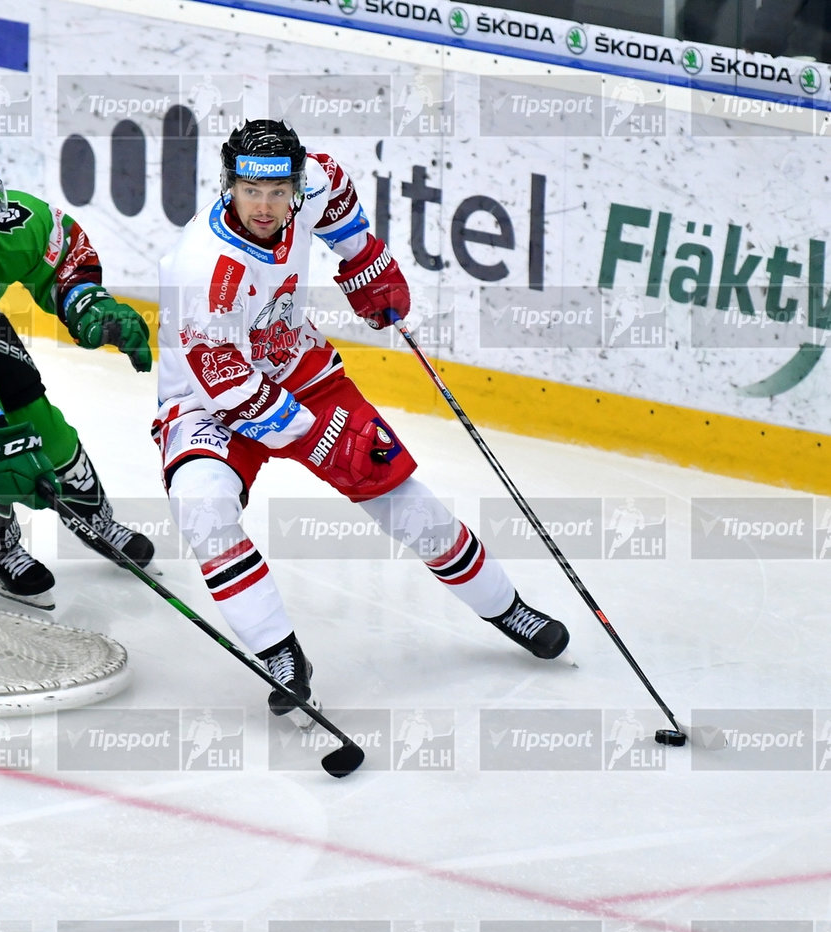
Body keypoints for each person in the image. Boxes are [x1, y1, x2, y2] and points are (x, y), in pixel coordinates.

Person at [153, 120, 568, 721]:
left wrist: (365, 262)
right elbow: (227, 384)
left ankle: (506, 607)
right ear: (229, 186)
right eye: (250, 192)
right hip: (205, 399)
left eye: (277, 192)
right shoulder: (201, 270)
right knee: (202, 507)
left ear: (294, 184)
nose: (265, 207)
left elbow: (338, 192)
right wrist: (306, 433)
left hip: (298, 368)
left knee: (400, 496)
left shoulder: (311, 183)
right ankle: (280, 654)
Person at [0, 136, 155, 609]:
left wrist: (89, 306)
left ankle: (93, 517)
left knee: (42, 421)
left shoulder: (7, 224)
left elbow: (62, 254)